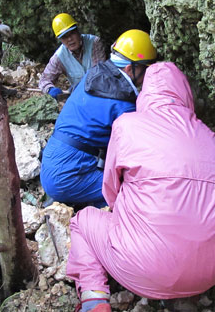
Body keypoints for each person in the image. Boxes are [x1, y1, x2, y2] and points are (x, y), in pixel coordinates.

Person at [66, 62, 215, 312]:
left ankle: (94, 299)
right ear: (184, 93)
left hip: (142, 269)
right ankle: (186, 296)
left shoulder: (126, 125)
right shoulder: (207, 134)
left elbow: (111, 191)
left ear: (145, 92)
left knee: (82, 221)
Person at [40, 29, 157, 208]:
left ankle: (74, 199)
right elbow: (136, 153)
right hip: (67, 176)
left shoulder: (92, 75)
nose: (147, 74)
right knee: (131, 191)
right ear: (129, 68)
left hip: (51, 162)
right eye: (145, 67)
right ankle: (81, 201)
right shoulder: (123, 105)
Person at [38, 13, 106, 99]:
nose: (70, 39)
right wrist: (50, 89)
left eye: (72, 33)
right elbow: (44, 80)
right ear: (60, 40)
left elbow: (99, 73)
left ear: (78, 31)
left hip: (102, 94)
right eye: (64, 37)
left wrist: (79, 87)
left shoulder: (94, 43)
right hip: (80, 99)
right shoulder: (59, 56)